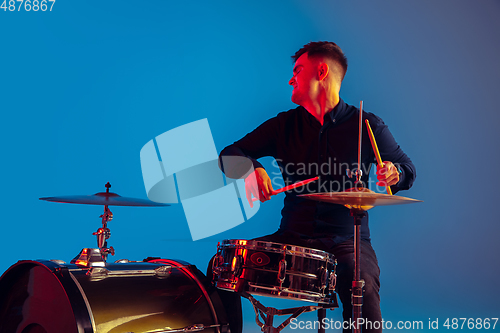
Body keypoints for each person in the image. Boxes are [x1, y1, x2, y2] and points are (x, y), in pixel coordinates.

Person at [217, 41, 416, 333]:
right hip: (292, 236)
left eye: (298, 70)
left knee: (362, 280)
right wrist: (253, 168)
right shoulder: (283, 125)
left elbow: (408, 170)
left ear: (321, 71)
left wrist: (394, 173)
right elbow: (228, 155)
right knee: (225, 265)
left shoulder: (367, 125)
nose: (291, 79)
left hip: (347, 241)